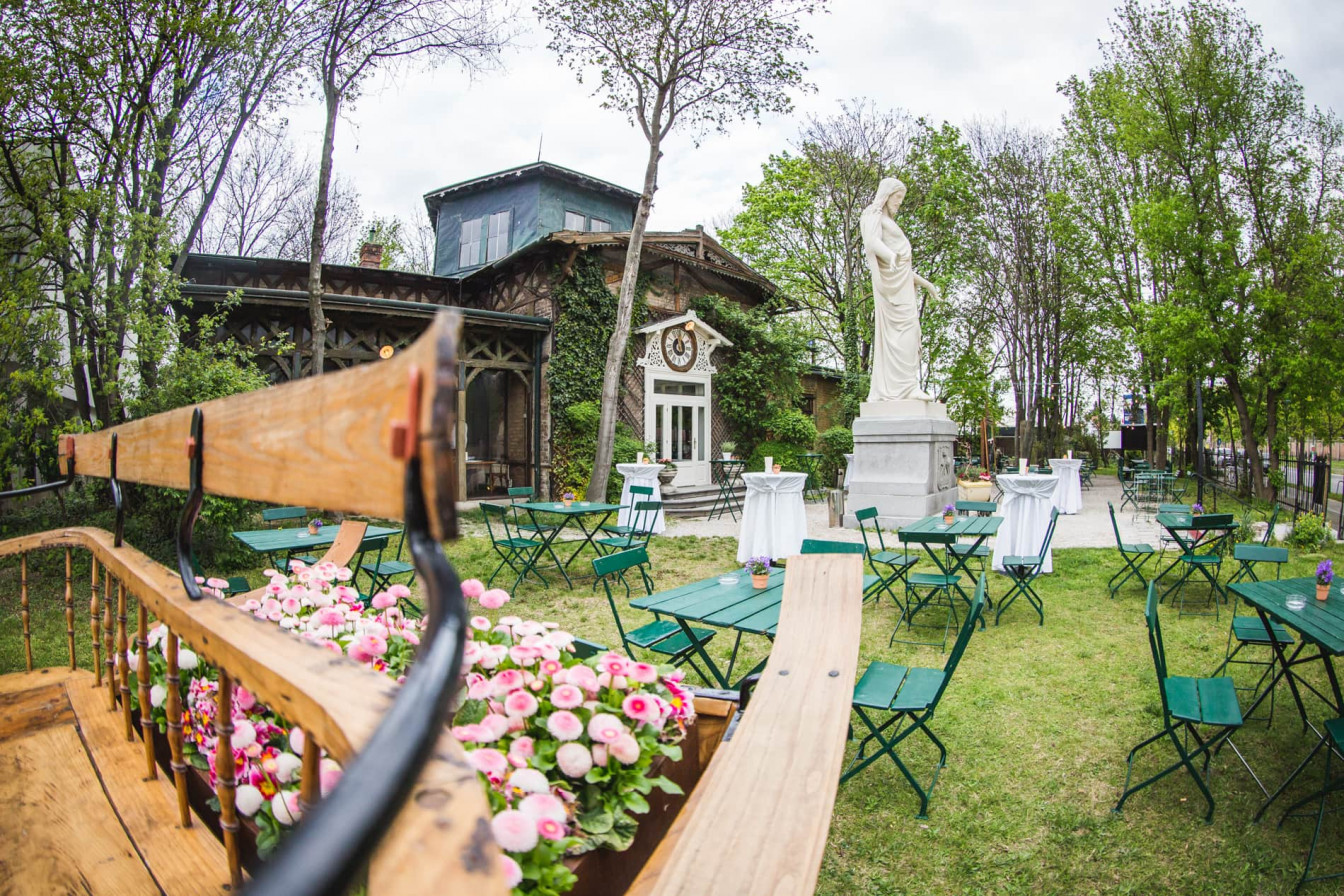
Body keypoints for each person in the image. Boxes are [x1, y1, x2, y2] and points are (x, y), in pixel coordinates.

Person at [861, 177, 939, 402]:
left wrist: (926, 284)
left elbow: (904, 269)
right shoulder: (872, 214)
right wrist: (890, 255)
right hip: (890, 291)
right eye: (897, 198)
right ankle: (903, 389)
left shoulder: (890, 221)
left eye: (901, 199)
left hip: (903, 286)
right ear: (886, 195)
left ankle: (908, 386)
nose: (899, 203)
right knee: (905, 332)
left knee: (912, 332)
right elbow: (871, 242)